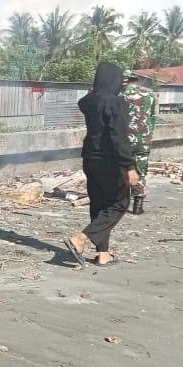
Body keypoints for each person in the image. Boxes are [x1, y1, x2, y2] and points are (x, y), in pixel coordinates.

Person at [64, 62, 140, 267]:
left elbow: (83, 100)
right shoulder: (116, 103)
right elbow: (119, 138)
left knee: (99, 204)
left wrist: (95, 90)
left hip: (91, 158)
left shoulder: (89, 102)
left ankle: (103, 254)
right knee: (119, 203)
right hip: (111, 160)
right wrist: (130, 166)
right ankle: (81, 238)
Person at [122, 71, 158, 215]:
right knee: (140, 171)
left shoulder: (119, 97)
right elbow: (153, 119)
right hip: (143, 140)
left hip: (123, 140)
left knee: (121, 169)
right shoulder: (150, 96)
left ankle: (120, 203)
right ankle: (138, 204)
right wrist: (147, 135)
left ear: (124, 80)